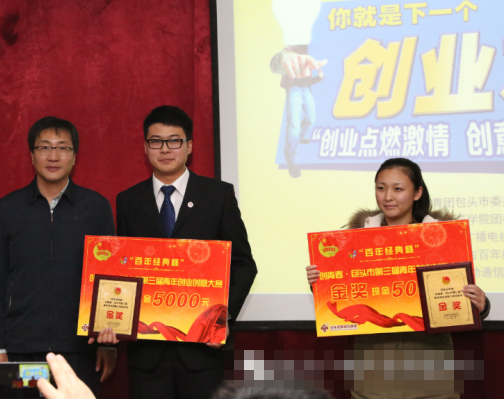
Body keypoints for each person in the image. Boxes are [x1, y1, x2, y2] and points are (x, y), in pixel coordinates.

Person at [305, 158, 490, 399]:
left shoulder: (441, 238)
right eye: (381, 188)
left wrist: (480, 304)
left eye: (398, 188)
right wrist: (321, 283)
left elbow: (458, 296)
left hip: (431, 374)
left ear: (417, 193)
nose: (388, 196)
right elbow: (342, 301)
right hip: (374, 375)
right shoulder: (353, 241)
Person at [115, 105, 258, 399]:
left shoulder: (218, 196)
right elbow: (121, 269)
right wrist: (112, 318)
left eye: (174, 141)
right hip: (147, 354)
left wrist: (222, 318)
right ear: (145, 147)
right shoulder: (128, 201)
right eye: (156, 141)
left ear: (189, 146)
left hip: (202, 352)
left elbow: (243, 264)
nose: (165, 149)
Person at [0, 116, 117, 396]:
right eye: (44, 147)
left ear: (74, 156)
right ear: (32, 155)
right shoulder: (7, 209)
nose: (53, 156)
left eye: (63, 148)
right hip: (20, 348)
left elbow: (108, 279)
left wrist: (108, 344)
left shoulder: (96, 208)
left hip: (79, 349)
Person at [270, 47, 327, 178]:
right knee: (293, 124)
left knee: (311, 119)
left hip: (306, 90)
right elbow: (277, 62)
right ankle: (292, 161)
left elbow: (308, 80)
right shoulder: (290, 50)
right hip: (294, 90)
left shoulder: (308, 55)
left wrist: (319, 78)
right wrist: (283, 57)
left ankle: (299, 137)